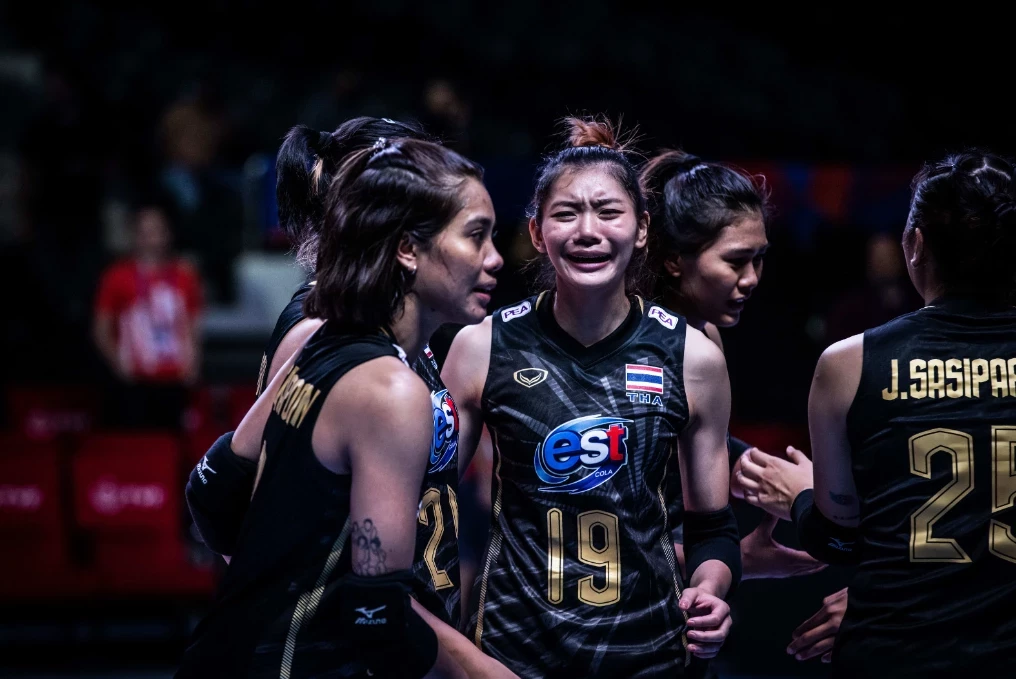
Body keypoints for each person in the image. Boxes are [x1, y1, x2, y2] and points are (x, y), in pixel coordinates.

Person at [176, 136, 504, 678]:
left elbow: (212, 492)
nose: (495, 257)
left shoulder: (328, 341)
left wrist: (282, 571)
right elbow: (378, 617)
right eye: (476, 235)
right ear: (407, 249)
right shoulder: (390, 389)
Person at [442, 117, 740, 678]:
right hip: (513, 654)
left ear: (642, 228)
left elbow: (713, 529)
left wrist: (711, 589)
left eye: (607, 212)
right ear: (537, 233)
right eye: (565, 214)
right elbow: (431, 504)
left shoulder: (693, 359)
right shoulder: (481, 348)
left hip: (651, 656)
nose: (587, 231)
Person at [739, 149, 1016, 677]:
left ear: (915, 244)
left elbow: (839, 538)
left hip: (894, 652)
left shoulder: (850, 362)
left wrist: (799, 494)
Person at [641, 150, 836, 669]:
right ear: (674, 260)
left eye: (759, 258)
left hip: (682, 613)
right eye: (734, 261)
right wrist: (731, 562)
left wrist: (780, 480)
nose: (751, 278)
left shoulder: (704, 337)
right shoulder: (635, 350)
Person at [93, 202, 202, 429]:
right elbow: (101, 328)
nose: (152, 238)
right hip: (135, 380)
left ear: (168, 234)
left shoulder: (184, 276)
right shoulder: (116, 276)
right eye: (145, 231)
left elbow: (191, 324)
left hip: (173, 378)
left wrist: (193, 362)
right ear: (135, 235)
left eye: (157, 230)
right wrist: (118, 363)